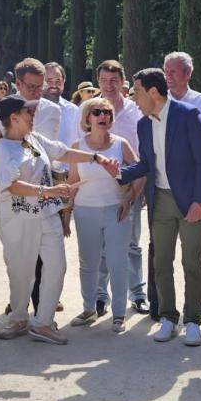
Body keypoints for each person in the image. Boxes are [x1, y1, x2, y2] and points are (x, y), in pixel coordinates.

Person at [0, 95, 118, 345]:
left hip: (47, 214)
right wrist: (47, 191)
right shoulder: (3, 149)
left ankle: (43, 323)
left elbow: (63, 152)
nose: (33, 115)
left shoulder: (33, 139)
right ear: (14, 118)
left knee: (57, 266)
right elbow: (11, 185)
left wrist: (95, 157)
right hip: (18, 219)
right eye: (28, 112)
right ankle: (18, 318)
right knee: (21, 272)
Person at [118, 68, 201, 347]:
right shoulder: (143, 124)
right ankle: (169, 318)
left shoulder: (187, 115)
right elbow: (146, 164)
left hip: (190, 200)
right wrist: (119, 172)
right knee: (161, 262)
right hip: (159, 200)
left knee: (191, 262)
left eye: (136, 91)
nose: (133, 98)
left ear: (152, 92)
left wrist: (198, 201)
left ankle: (193, 320)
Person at [67, 97, 140, 333]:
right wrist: (65, 213)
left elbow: (141, 172)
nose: (103, 116)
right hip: (84, 210)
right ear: (87, 118)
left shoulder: (122, 144)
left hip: (115, 210)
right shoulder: (77, 146)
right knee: (88, 263)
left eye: (107, 112)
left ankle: (119, 314)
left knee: (117, 262)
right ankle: (89, 308)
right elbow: (72, 181)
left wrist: (130, 199)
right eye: (97, 112)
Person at [93, 60, 148, 317]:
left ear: (123, 82)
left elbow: (142, 155)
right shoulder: (89, 109)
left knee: (132, 244)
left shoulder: (136, 112)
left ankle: (137, 294)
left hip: (130, 185)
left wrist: (138, 189)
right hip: (99, 189)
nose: (109, 85)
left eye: (114, 81)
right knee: (103, 245)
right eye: (104, 80)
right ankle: (100, 297)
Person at [14, 58, 63, 312]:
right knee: (22, 253)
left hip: (44, 186)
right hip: (17, 192)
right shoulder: (3, 109)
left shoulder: (52, 110)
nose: (36, 92)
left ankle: (42, 306)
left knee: (47, 255)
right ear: (17, 83)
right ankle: (20, 302)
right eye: (31, 86)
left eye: (39, 87)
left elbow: (49, 150)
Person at [45, 62, 81, 236]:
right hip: (38, 177)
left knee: (60, 233)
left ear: (64, 82)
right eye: (48, 80)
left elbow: (77, 142)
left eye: (57, 80)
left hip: (65, 179)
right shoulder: (30, 108)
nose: (53, 84)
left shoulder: (74, 110)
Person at [163, 51, 201, 163]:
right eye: (166, 71)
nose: (168, 76)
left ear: (187, 73)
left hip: (197, 173)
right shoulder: (159, 102)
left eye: (173, 71)